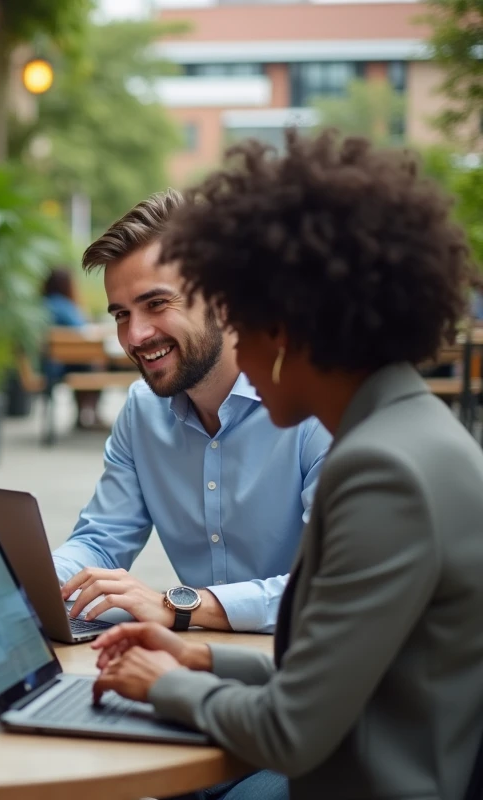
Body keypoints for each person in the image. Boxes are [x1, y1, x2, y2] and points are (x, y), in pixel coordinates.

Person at [91, 130, 483, 800]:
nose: (235, 343)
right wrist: (200, 656)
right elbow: (337, 677)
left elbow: (292, 731)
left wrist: (165, 683)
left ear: (295, 323)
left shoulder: (382, 471)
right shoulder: (410, 434)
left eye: (243, 316)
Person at [52, 190, 332, 634]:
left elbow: (330, 587)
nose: (136, 335)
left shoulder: (314, 408)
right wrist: (30, 582)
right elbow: (100, 543)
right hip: (199, 668)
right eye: (121, 314)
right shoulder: (143, 411)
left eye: (156, 304)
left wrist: (181, 606)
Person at [42, 266, 101, 428]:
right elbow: (84, 330)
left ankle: (82, 416)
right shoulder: (63, 306)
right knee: (97, 364)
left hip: (47, 365)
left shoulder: (42, 304)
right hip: (61, 366)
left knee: (88, 363)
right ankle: (91, 415)